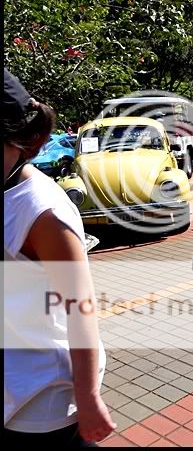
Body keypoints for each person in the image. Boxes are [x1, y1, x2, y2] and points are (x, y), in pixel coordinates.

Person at [3, 69, 116, 446]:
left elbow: (81, 307)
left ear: (19, 142)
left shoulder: (42, 211)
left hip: (40, 400)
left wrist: (87, 398)